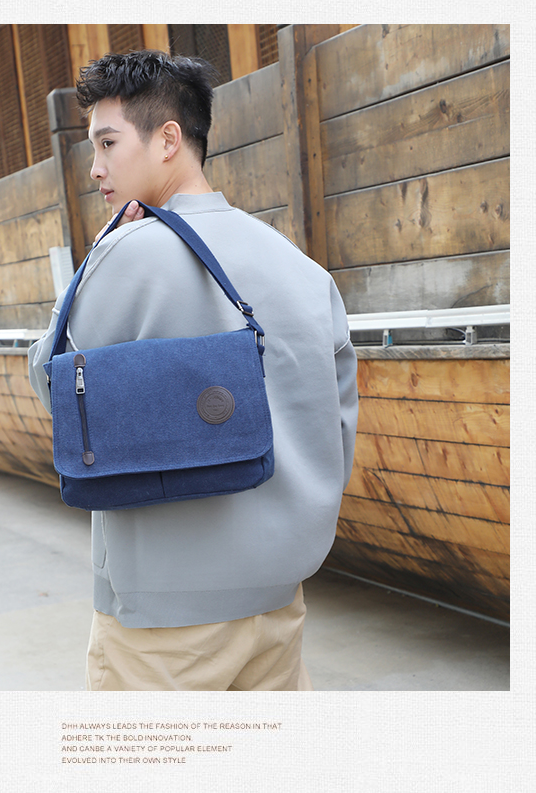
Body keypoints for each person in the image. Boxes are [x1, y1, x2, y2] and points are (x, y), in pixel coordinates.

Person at [28, 50, 358, 691]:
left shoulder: (126, 255)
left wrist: (97, 255)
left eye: (107, 143)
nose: (95, 167)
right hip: (279, 603)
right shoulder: (299, 267)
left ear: (168, 140)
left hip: (161, 621)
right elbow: (337, 423)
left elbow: (53, 386)